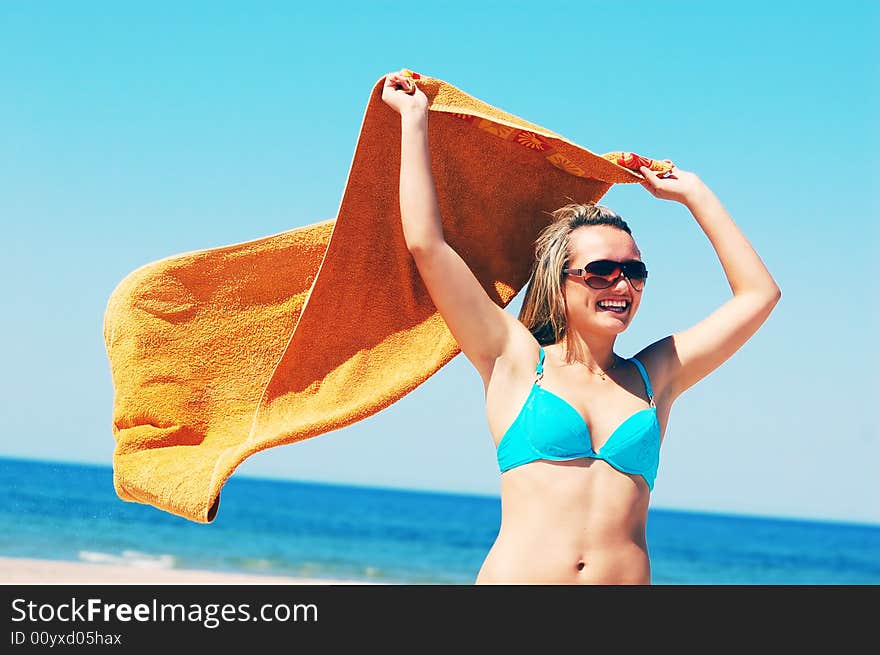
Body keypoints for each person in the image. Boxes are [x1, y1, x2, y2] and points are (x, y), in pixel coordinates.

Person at [380, 69, 781, 584]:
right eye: (601, 271)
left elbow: (759, 295)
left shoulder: (655, 375)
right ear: (559, 281)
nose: (621, 285)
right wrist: (414, 122)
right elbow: (427, 247)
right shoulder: (514, 357)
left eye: (633, 271)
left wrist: (696, 195)